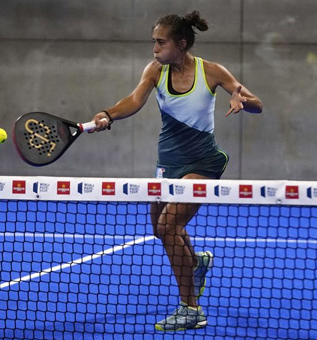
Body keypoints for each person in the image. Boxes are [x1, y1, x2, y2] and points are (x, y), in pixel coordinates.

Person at [90, 10, 263, 331]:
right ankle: (195, 263)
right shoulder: (155, 71)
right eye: (153, 42)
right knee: (160, 229)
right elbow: (133, 100)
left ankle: (191, 309)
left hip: (203, 164)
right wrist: (107, 114)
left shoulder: (211, 72)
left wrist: (244, 99)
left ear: (181, 44)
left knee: (169, 227)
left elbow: (257, 103)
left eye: (160, 43)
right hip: (168, 163)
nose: (154, 49)